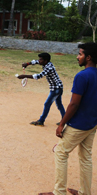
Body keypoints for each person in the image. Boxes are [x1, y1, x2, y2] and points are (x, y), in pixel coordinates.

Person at [39, 42, 97, 195]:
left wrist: (61, 124)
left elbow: (73, 104)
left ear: (88, 57)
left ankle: (59, 192)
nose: (78, 57)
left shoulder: (82, 76)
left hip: (79, 124)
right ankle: (85, 192)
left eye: (80, 54)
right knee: (85, 157)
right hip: (92, 123)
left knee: (60, 152)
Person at [18, 53, 65, 126]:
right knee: (59, 104)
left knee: (47, 104)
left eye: (41, 59)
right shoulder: (46, 63)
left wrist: (25, 76)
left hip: (56, 88)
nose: (39, 61)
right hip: (58, 87)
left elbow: (39, 76)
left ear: (45, 61)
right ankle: (65, 120)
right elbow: (35, 61)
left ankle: (41, 120)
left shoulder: (49, 67)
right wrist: (27, 63)